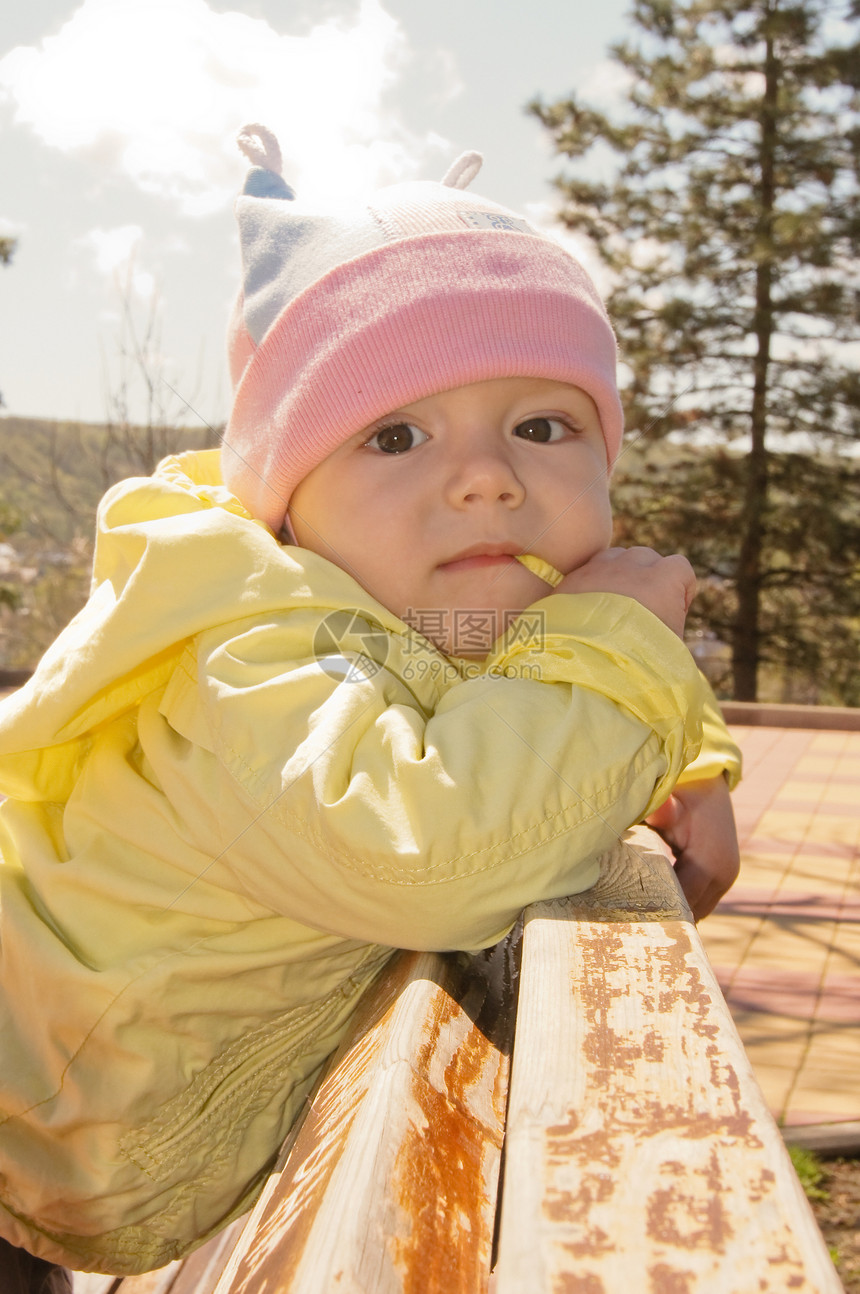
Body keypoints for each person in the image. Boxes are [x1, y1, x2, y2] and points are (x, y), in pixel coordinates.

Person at [0, 125, 740, 1277]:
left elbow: (506, 670)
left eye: (542, 426)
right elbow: (425, 849)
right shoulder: (245, 648)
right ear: (286, 503)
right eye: (394, 434)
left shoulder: (403, 611)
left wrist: (682, 750)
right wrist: (624, 645)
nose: (487, 474)